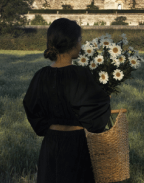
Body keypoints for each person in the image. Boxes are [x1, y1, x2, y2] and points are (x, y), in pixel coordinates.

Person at [23, 18, 111, 183]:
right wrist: (105, 98)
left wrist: (46, 126)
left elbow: (31, 106)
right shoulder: (81, 74)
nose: (81, 44)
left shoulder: (40, 76)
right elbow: (96, 111)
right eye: (80, 40)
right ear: (73, 44)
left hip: (51, 143)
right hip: (77, 143)